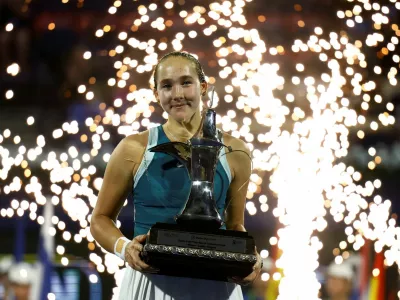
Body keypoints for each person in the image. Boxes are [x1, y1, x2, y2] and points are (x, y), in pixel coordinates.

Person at [90, 51, 262, 300]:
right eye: (167, 86)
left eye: (186, 82)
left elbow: (235, 225)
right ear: (156, 94)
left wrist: (252, 259)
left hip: (215, 286)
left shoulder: (236, 151)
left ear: (202, 87)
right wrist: (125, 248)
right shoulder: (134, 148)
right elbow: (100, 219)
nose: (178, 94)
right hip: (149, 286)